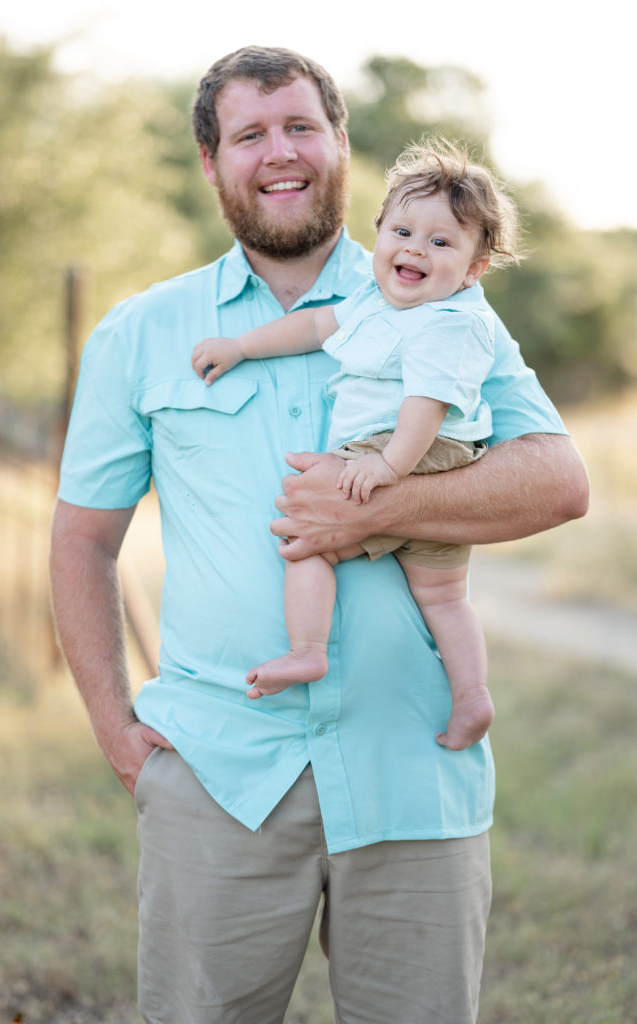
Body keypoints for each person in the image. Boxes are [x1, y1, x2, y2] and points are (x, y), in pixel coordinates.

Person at [50, 45, 589, 1024]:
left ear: (343, 144)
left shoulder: (449, 301)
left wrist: (377, 507)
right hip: (217, 774)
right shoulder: (140, 333)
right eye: (249, 134)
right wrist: (120, 734)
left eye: (301, 125)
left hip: (413, 770)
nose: (279, 151)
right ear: (211, 162)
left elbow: (558, 480)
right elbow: (83, 542)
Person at [191, 139, 525, 751]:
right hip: (426, 454)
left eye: (442, 242)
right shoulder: (377, 302)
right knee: (444, 596)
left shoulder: (450, 320)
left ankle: (307, 651)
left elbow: (426, 404)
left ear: (475, 268)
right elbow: (317, 326)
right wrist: (242, 346)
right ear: (379, 234)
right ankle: (473, 696)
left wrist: (385, 466)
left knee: (306, 532)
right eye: (402, 230)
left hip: (413, 449)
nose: (415, 249)